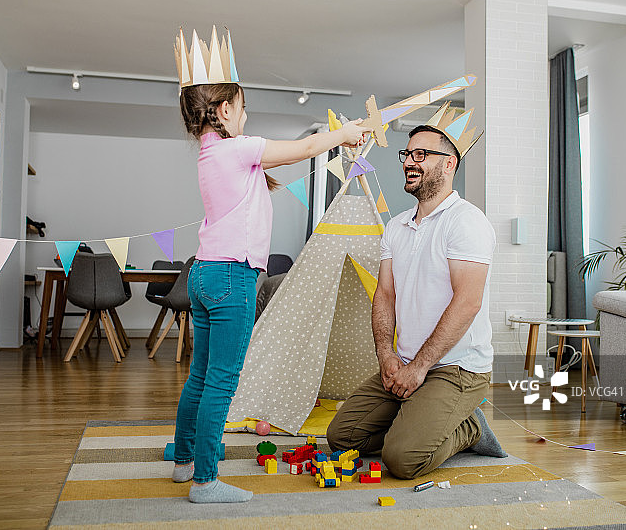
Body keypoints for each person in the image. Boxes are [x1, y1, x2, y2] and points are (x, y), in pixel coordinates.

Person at [171, 29, 369, 504]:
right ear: (222, 112)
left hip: (204, 274)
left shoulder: (211, 154)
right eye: (242, 108)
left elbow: (280, 169)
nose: (246, 116)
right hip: (231, 275)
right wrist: (342, 134)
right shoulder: (237, 149)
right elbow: (301, 149)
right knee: (222, 378)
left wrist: (343, 142)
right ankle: (205, 480)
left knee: (201, 372)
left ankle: (184, 462)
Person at [326, 109, 506, 480]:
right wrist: (386, 355)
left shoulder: (467, 222)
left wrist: (420, 368)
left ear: (449, 164)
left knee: (402, 460)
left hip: (456, 368)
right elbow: (385, 295)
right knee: (342, 437)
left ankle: (469, 427)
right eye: (407, 154)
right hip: (406, 361)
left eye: (420, 154)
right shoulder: (396, 227)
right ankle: (419, 415)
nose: (409, 162)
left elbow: (467, 302)